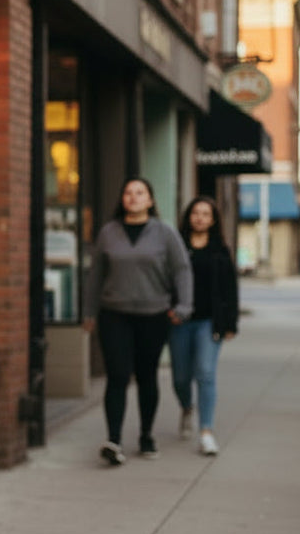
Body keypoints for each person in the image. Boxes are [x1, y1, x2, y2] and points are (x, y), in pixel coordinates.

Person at [83, 177, 193, 464]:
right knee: (117, 376)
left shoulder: (164, 232)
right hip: (114, 314)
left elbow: (181, 269)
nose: (133, 197)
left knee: (147, 376)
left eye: (140, 192)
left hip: (154, 316)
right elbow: (95, 275)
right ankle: (114, 440)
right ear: (122, 199)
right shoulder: (109, 232)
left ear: (150, 200)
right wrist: (88, 311)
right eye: (128, 193)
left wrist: (183, 305)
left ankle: (146, 436)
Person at [168, 196, 238, 456]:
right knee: (180, 378)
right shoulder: (177, 246)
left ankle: (206, 431)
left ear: (213, 220)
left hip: (209, 322)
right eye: (195, 213)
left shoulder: (220, 250)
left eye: (206, 214)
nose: (200, 218)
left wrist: (231, 323)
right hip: (180, 321)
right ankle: (187, 407)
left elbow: (230, 288)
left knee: (206, 373)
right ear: (188, 217)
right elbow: (166, 280)